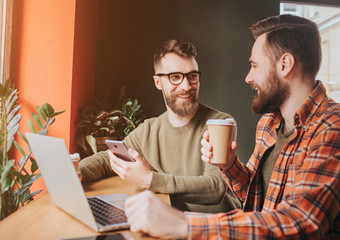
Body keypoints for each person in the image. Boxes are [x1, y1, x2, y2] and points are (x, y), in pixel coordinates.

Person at [123, 14, 340, 239]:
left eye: (255, 66)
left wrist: (182, 223)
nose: (248, 77)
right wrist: (230, 165)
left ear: (284, 64)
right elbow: (253, 195)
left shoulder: (331, 128)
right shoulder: (269, 123)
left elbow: (301, 223)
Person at [79, 39, 241, 213]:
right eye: (175, 77)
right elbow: (108, 159)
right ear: (158, 82)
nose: (186, 86)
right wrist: (76, 171)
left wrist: (150, 180)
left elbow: (215, 188)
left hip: (216, 228)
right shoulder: (149, 129)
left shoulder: (219, 123)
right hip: (171, 223)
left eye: (192, 76)